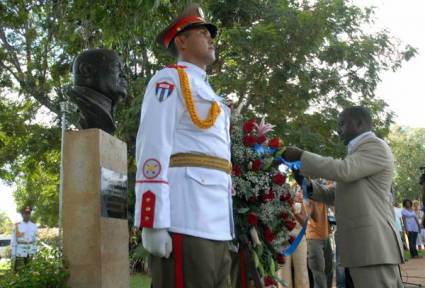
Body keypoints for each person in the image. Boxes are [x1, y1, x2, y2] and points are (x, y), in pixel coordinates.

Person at [133, 4, 233, 288]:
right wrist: (153, 220)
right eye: (203, 33)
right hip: (186, 216)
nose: (211, 38)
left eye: (211, 34)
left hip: (218, 222)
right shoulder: (169, 79)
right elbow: (153, 146)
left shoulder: (208, 91)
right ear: (182, 40)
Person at [282, 106, 404, 287]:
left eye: (342, 124)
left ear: (359, 123)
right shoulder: (356, 154)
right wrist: (307, 185)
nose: (338, 130)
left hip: (372, 247)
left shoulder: (374, 146)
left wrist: (302, 155)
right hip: (359, 248)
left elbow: (342, 170)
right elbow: (336, 194)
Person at [68, 48, 128, 134]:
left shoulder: (107, 110)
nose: (124, 75)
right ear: (87, 70)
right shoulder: (87, 110)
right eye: (116, 67)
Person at [278, 189, 309, 288]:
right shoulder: (277, 203)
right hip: (283, 240)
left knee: (301, 272)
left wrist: (294, 212)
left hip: (299, 240)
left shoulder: (300, 203)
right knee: (283, 274)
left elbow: (305, 224)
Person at [11, 206, 38, 271]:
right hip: (20, 252)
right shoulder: (17, 225)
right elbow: (13, 241)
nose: (27, 215)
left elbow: (35, 240)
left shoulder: (34, 226)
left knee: (30, 271)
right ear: (22, 214)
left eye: (28, 213)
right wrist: (13, 254)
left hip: (30, 252)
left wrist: (35, 252)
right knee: (20, 271)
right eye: (25, 213)